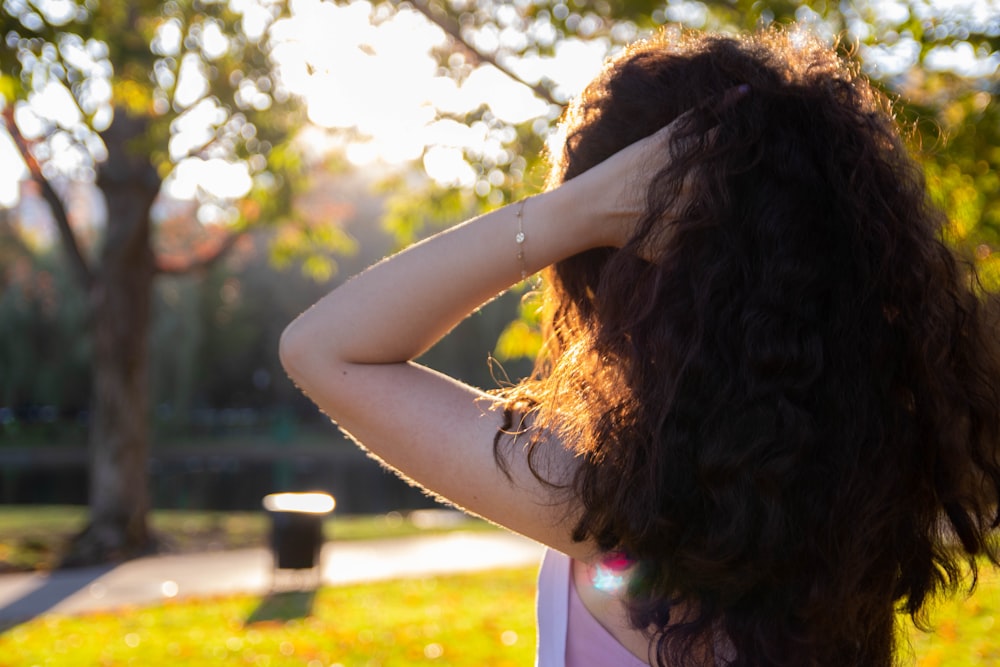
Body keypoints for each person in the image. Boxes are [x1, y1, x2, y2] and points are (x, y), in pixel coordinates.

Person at [280, 27, 1000, 667]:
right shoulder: (879, 484)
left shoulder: (616, 508)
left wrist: (575, 209)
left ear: (627, 269)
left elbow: (325, 347)